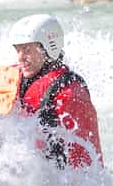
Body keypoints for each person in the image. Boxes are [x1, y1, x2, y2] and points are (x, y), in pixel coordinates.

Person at [9, 14, 103, 169]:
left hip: (57, 182)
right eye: (17, 49)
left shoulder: (70, 93)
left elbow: (86, 161)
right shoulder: (18, 76)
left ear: (48, 48)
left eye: (26, 49)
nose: (20, 58)